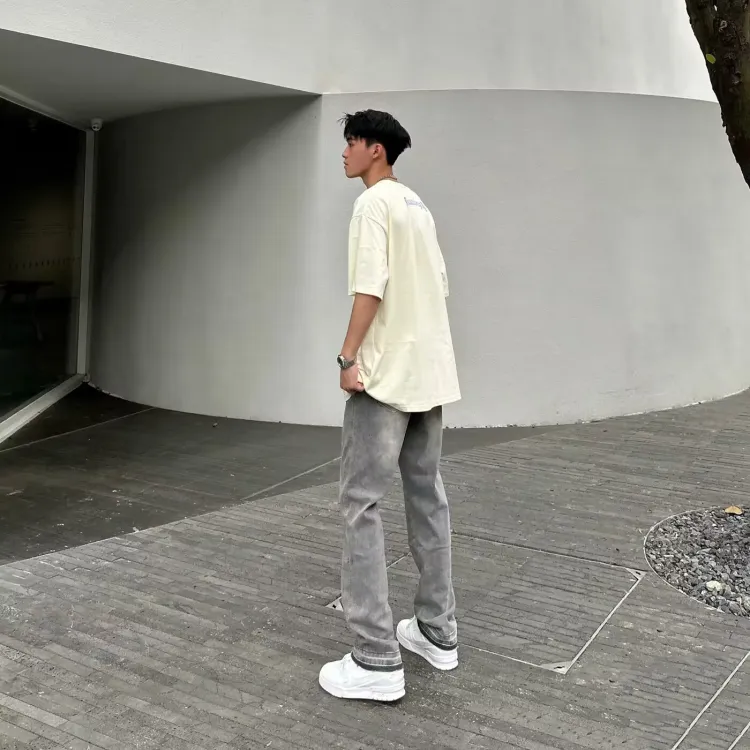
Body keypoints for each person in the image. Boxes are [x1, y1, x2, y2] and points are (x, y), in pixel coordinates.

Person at [318, 110, 462, 702]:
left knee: (360, 504)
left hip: (384, 379)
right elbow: (440, 286)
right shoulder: (418, 206)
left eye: (351, 142)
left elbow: (369, 288)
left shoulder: (372, 205)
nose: (344, 152)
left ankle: (375, 658)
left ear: (375, 149)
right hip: (430, 374)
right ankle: (437, 631)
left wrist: (348, 356)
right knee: (427, 497)